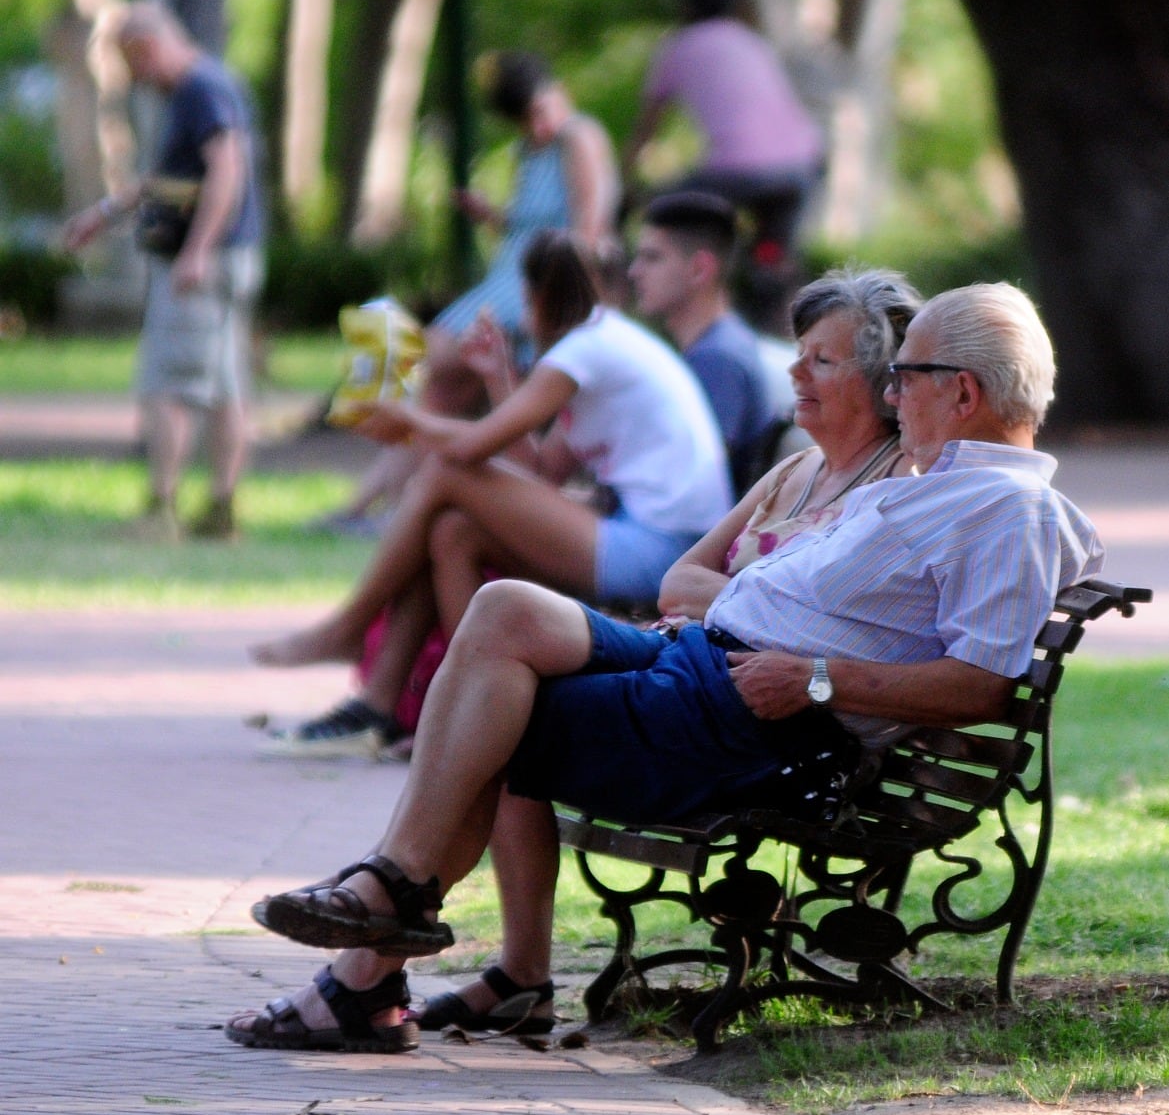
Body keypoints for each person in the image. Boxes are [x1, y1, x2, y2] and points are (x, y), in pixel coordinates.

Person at [227, 281, 1105, 1053]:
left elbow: (979, 685)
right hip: (693, 658)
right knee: (504, 611)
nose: (890, 391)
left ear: (960, 391)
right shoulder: (928, 481)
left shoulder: (1007, 509)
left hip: (751, 718)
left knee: (484, 721)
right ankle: (394, 900)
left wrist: (816, 679)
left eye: (903, 374)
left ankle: (367, 965)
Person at [250, 230, 732, 758]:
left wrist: (408, 419)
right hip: (651, 542)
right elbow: (545, 467)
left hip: (659, 552)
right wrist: (500, 378)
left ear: (538, 296)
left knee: (445, 474)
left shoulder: (582, 351)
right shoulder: (603, 343)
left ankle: (350, 627)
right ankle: (407, 706)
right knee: (453, 531)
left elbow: (476, 446)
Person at [319, 53, 620, 535]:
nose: (538, 127)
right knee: (438, 393)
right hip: (511, 279)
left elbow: (589, 224)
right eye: (526, 121)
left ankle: (383, 501)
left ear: (556, 91)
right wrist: (492, 217)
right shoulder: (529, 151)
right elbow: (529, 223)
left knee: (426, 359)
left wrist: (555, 306)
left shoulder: (579, 136)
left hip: (535, 289)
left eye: (542, 112)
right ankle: (382, 507)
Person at [62, 0, 264, 541]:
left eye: (132, 64)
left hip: (204, 263)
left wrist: (198, 248)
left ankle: (161, 509)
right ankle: (221, 511)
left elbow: (227, 168)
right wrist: (104, 215)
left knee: (169, 382)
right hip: (228, 259)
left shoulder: (201, 90)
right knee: (224, 387)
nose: (135, 79)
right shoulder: (205, 86)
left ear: (147, 47)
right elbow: (170, 179)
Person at [624, 0, 825, 330]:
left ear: (685, 7)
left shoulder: (678, 47)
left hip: (737, 170)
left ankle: (672, 304)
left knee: (666, 209)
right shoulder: (751, 40)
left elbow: (647, 129)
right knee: (776, 257)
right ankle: (791, 327)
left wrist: (626, 183)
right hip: (801, 164)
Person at [628, 191, 773, 492]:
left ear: (700, 269)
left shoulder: (717, 359)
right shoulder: (715, 346)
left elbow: (686, 483)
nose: (634, 272)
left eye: (652, 258)